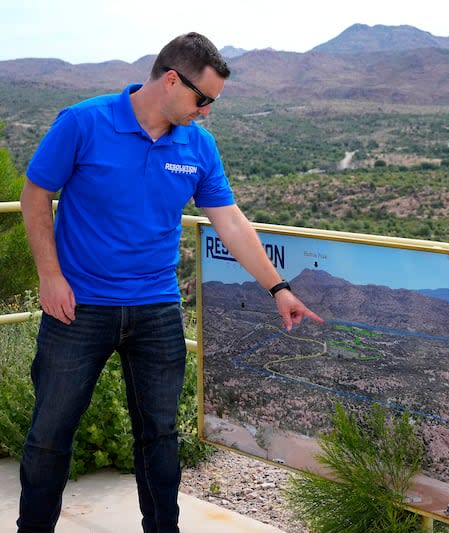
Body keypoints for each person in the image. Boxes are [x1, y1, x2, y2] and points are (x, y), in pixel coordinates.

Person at [17, 32, 323, 533]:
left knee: (159, 437)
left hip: (156, 310)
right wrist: (49, 277)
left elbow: (230, 222)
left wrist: (278, 287)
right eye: (203, 99)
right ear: (172, 80)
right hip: (78, 307)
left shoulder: (198, 144)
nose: (206, 111)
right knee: (51, 434)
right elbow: (35, 197)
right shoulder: (84, 122)